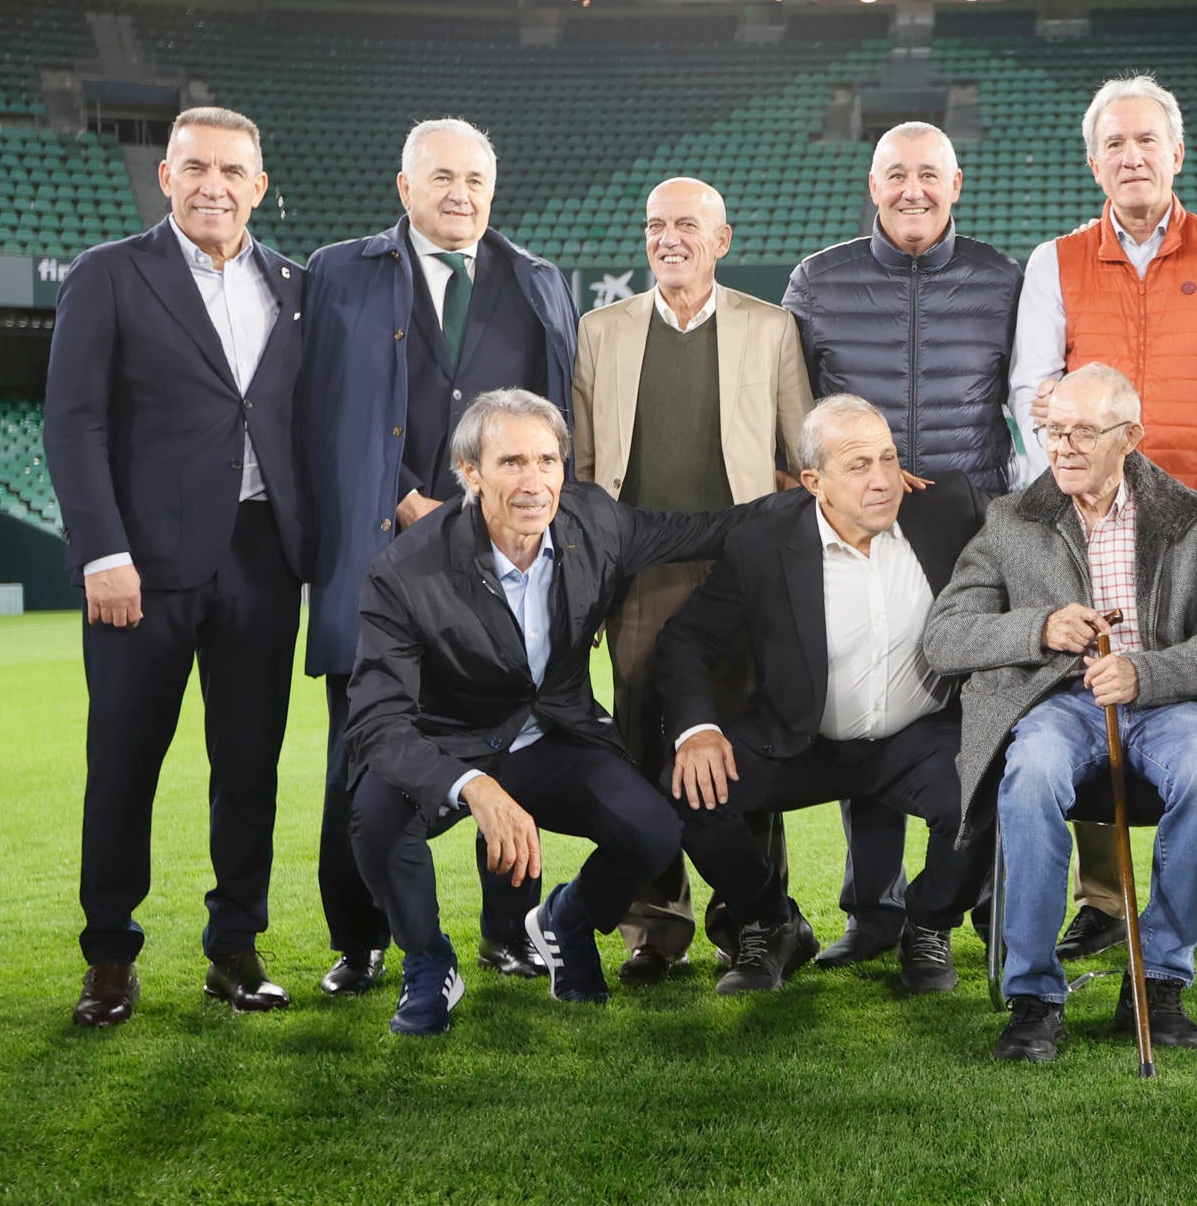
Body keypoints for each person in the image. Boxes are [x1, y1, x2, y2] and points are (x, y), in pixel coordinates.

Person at [343, 389, 775, 1035]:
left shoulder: (593, 521)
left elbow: (704, 529)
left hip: (552, 737)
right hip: (448, 743)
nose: (534, 481)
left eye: (548, 461)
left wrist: (828, 494)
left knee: (655, 829)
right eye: (512, 462)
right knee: (374, 818)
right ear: (471, 474)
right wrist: (474, 786)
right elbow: (378, 722)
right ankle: (429, 961)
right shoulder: (406, 569)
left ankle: (564, 921)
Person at [301, 117, 579, 996]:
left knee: (510, 745)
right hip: (380, 567)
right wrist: (396, 501)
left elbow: (552, 429)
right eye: (442, 178)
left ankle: (510, 930)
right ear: (404, 186)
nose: (460, 195)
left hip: (499, 573)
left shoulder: (535, 280)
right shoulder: (339, 272)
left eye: (475, 180)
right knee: (362, 757)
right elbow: (314, 416)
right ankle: (360, 937)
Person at [1006, 73, 1197, 962]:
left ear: (1176, 153)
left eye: (1146, 141)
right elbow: (1029, 389)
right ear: (1095, 162)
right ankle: (1103, 897)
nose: (1132, 156)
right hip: (1091, 519)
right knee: (1092, 681)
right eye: (1115, 144)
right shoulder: (1055, 260)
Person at [46, 107, 307, 1026]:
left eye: (233, 171)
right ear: (165, 177)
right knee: (122, 762)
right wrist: (101, 551)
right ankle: (109, 955)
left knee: (249, 764)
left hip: (262, 559)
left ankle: (234, 945)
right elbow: (72, 423)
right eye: (195, 166)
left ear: (258, 186)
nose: (213, 185)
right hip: (140, 567)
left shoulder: (294, 284)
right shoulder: (110, 274)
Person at [925, 364, 1197, 1062]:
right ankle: (1035, 995)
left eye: (1083, 431)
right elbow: (945, 634)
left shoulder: (1193, 518)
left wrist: (1145, 671)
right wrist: (1039, 628)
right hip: (1057, 702)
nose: (1063, 447)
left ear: (1129, 437)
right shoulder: (1011, 519)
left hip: (1165, 702)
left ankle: (1158, 978)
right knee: (1033, 769)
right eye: (1052, 431)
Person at [653, 395, 992, 996]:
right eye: (858, 466)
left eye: (888, 458)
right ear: (814, 482)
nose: (883, 480)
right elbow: (686, 639)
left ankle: (928, 925)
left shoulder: (948, 507)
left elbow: (1032, 534)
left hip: (920, 737)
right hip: (802, 738)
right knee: (692, 795)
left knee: (981, 794)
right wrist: (697, 731)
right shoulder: (764, 540)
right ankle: (770, 921)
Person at [783, 121, 1022, 966]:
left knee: (976, 723)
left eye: (929, 174)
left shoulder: (1003, 279)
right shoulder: (819, 280)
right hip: (859, 528)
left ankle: (946, 918)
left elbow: (1022, 398)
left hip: (973, 532)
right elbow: (794, 409)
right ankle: (873, 913)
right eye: (896, 175)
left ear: (957, 184)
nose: (912, 189)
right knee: (871, 705)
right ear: (872, 184)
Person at [572, 176, 811, 985]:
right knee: (643, 742)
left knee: (743, 745)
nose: (668, 237)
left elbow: (801, 457)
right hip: (640, 572)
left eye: (686, 224)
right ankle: (656, 922)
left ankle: (754, 918)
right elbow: (582, 469)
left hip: (743, 574)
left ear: (722, 238)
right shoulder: (599, 331)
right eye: (655, 225)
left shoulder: (771, 327)